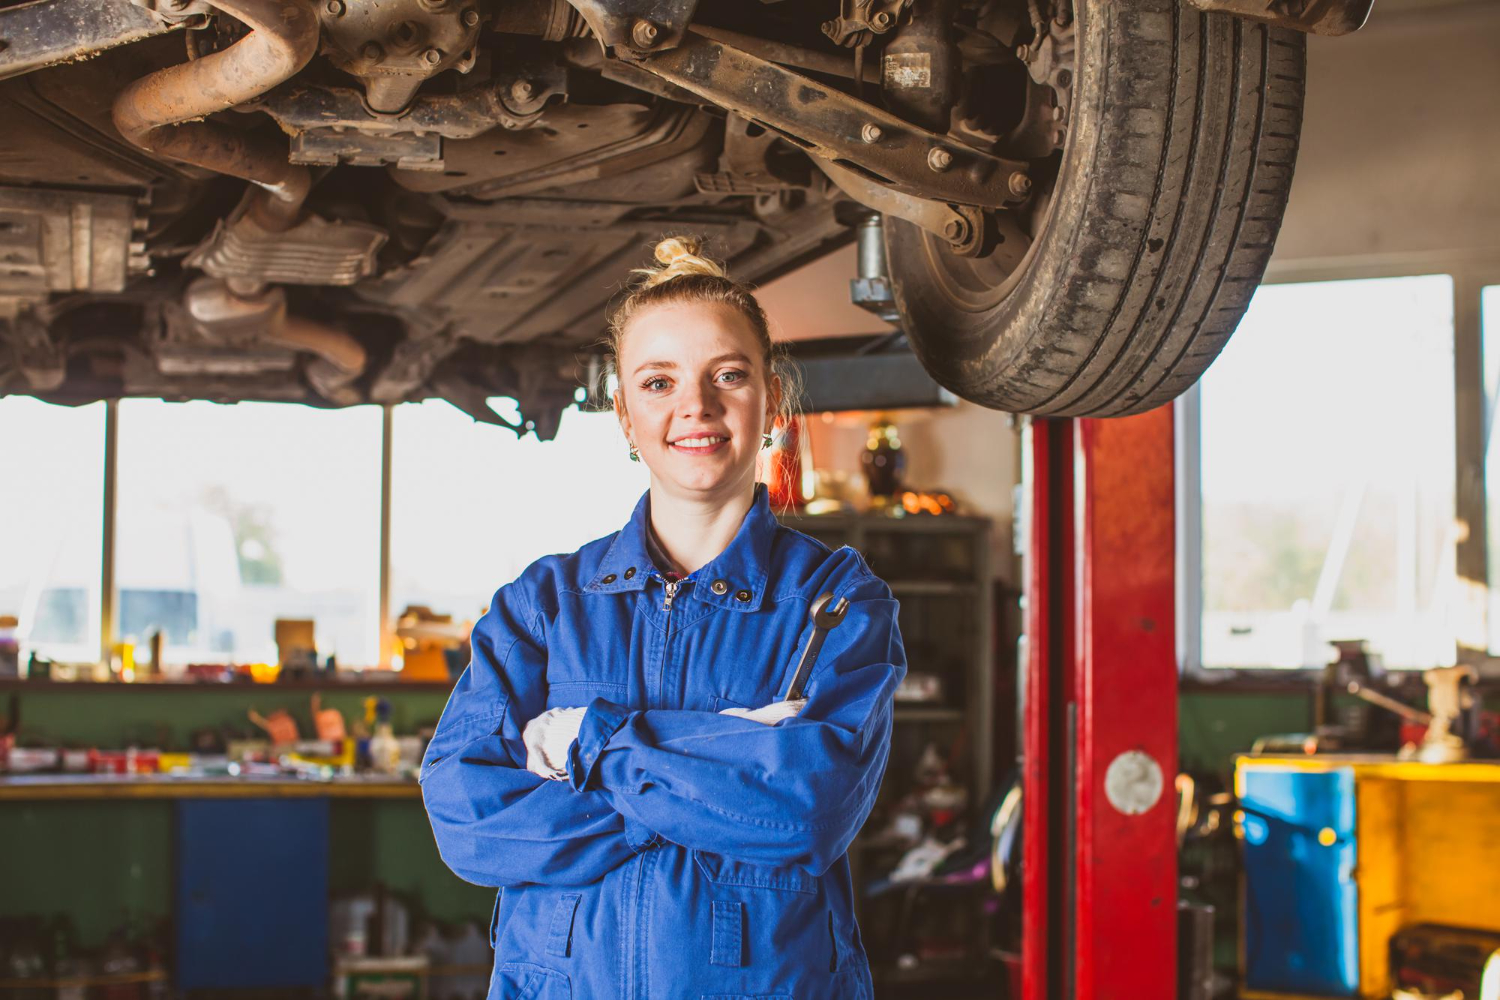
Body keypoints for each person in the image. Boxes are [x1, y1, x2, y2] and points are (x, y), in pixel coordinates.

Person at [420, 235, 907, 999]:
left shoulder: (835, 602)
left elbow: (807, 812)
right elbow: (468, 819)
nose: (696, 407)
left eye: (729, 375)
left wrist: (589, 742)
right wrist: (723, 770)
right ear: (622, 414)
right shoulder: (543, 607)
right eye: (658, 382)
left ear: (771, 398)